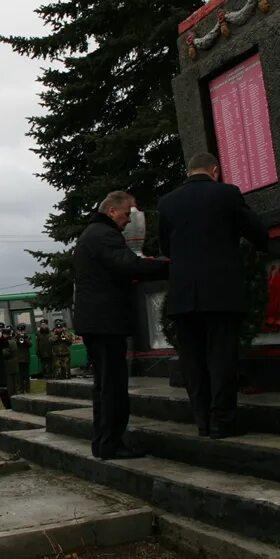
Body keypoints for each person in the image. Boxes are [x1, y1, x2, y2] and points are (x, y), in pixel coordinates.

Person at [158, 152, 269, 439]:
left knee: (193, 363)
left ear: (189, 171)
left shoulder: (167, 202)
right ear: (215, 170)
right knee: (221, 358)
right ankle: (223, 422)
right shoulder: (227, 194)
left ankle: (202, 422)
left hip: (183, 297)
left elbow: (166, 248)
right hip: (220, 292)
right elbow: (257, 231)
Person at [73, 191, 169, 460]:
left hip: (97, 322)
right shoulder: (104, 235)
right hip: (106, 323)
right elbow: (126, 264)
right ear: (112, 211)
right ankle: (111, 444)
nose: (128, 221)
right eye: (127, 214)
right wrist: (166, 267)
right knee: (112, 386)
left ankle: (104, 442)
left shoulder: (92, 234)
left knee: (104, 386)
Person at [13, 324, 33, 393]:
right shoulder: (15, 337)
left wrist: (24, 338)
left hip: (25, 359)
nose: (21, 332)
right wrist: (18, 337)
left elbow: (30, 344)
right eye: (19, 331)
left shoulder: (27, 336)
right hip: (18, 359)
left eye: (22, 331)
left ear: (24, 330)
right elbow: (14, 345)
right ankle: (20, 389)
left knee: (26, 375)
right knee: (19, 376)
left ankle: (27, 389)